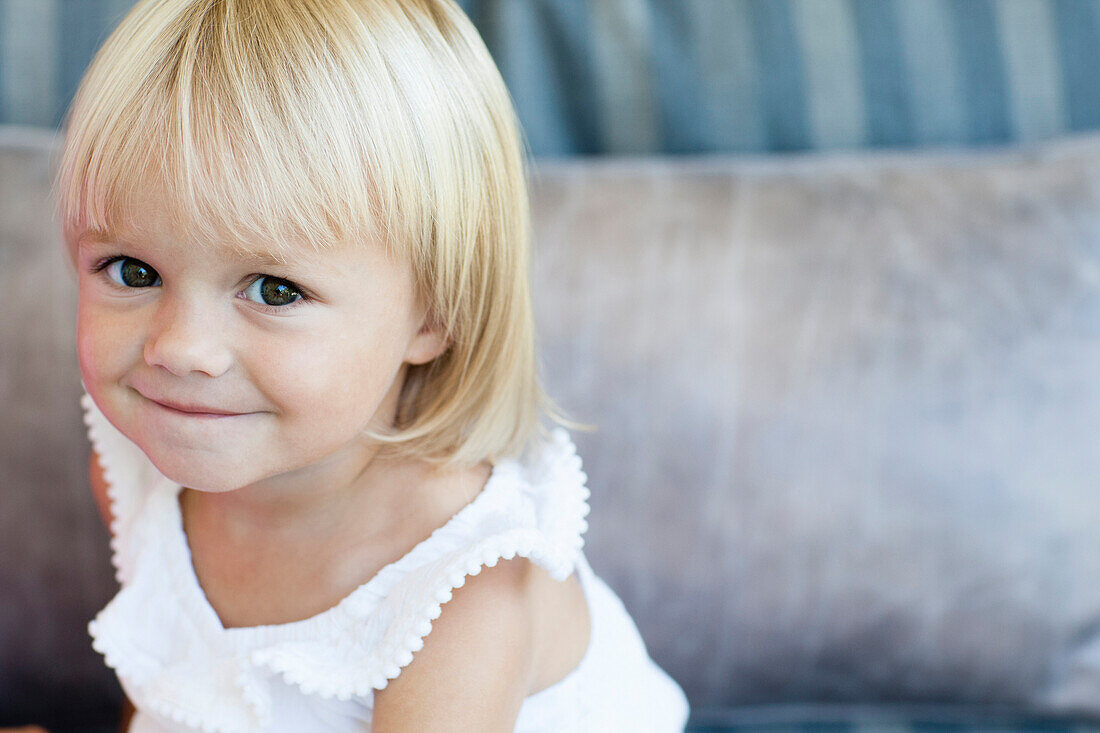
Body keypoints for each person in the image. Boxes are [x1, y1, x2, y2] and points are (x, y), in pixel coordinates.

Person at [52, 0, 691, 731]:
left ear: (434, 314)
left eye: (275, 289)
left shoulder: (456, 585)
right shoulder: (141, 466)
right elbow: (173, 683)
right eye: (132, 271)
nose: (180, 349)